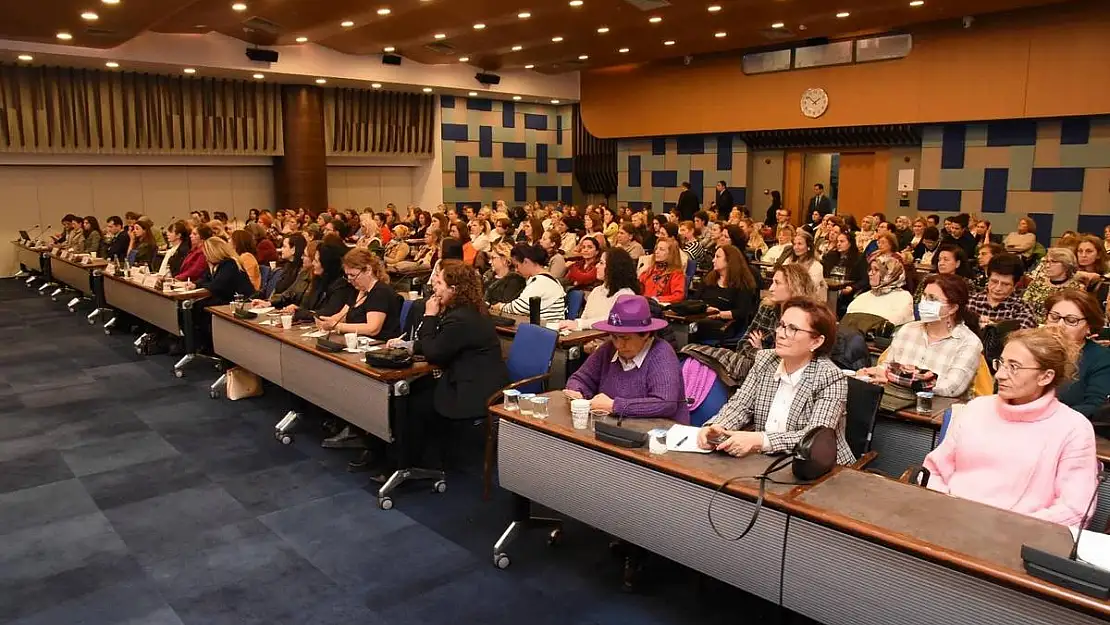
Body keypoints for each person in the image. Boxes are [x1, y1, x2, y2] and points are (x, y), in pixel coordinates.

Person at [922, 326, 1098, 527]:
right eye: (1001, 363)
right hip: (949, 521)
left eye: (1014, 367)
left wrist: (1009, 528)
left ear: (1045, 377)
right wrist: (947, 510)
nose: (1000, 375)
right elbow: (932, 471)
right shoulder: (976, 408)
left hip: (1018, 537)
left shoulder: (1074, 428)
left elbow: (1075, 510)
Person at [383, 261, 509, 474]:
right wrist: (409, 345)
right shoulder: (465, 310)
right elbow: (442, 343)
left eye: (440, 282)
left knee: (411, 401)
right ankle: (410, 458)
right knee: (412, 392)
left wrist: (429, 315)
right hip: (465, 378)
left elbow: (434, 352)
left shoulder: (461, 318)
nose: (434, 286)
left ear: (455, 289)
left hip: (474, 389)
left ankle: (413, 464)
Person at [697, 298, 854, 464]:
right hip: (766, 461)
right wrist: (717, 427)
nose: (780, 333)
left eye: (793, 329)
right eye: (781, 325)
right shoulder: (765, 360)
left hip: (818, 467)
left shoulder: (831, 377)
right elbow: (740, 405)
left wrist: (759, 440)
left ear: (816, 341)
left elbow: (813, 438)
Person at [681, 264, 818, 387]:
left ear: (793, 286)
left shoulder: (805, 319)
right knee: (690, 351)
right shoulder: (767, 309)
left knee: (701, 360)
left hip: (772, 374)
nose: (771, 288)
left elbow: (787, 360)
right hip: (749, 363)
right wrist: (763, 352)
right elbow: (743, 344)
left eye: (777, 283)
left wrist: (760, 351)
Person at [564, 295, 690, 424]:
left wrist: (614, 406)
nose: (618, 345)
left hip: (659, 434)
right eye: (614, 337)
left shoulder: (662, 354)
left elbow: (665, 403)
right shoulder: (608, 349)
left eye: (625, 338)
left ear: (645, 334)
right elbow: (580, 378)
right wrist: (577, 392)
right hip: (615, 428)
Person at [857, 274, 983, 398]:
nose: (924, 303)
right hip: (896, 403)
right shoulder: (908, 329)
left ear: (952, 308)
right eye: (924, 296)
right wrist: (873, 372)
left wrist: (893, 376)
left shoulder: (968, 342)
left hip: (935, 411)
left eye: (932, 299)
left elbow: (950, 387)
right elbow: (888, 365)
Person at [1043, 290, 1110, 418]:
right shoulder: (1031, 349)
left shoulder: (1102, 359)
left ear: (1089, 327)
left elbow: (1096, 407)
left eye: (1071, 320)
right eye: (1054, 317)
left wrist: (1046, 417)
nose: (1059, 325)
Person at [315, 249, 402, 340]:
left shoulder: (380, 292)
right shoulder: (357, 290)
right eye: (347, 276)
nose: (349, 280)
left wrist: (337, 326)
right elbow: (342, 316)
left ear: (368, 270)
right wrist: (327, 321)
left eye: (353, 275)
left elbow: (372, 329)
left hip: (380, 345)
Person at [689, 245, 759, 342]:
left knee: (694, 327)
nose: (713, 260)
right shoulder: (709, 278)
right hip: (702, 317)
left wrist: (718, 314)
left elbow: (742, 312)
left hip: (727, 324)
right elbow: (696, 300)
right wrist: (705, 308)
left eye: (718, 257)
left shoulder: (743, 284)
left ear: (730, 260)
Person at [560, 248, 640, 332]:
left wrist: (579, 324)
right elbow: (584, 318)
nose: (597, 266)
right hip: (586, 339)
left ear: (614, 267)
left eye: (601, 263)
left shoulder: (626, 295)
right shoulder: (596, 291)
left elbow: (611, 320)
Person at [490, 243, 567, 323]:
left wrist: (499, 306)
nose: (516, 270)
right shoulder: (547, 279)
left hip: (545, 328)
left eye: (517, 266)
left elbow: (518, 308)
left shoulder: (541, 282)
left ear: (526, 262)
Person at [286, 241, 354, 322]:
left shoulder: (341, 285)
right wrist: (298, 309)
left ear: (326, 264)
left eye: (316, 261)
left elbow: (329, 312)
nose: (313, 263)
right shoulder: (319, 279)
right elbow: (312, 307)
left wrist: (303, 313)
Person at [968, 254, 1037, 330]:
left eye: (1005, 284)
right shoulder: (970, 302)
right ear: (988, 278)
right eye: (994, 281)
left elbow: (1023, 338)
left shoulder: (1022, 309)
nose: (998, 288)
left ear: (1015, 285)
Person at [844, 255, 915, 326]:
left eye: (876, 270)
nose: (870, 274)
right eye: (870, 270)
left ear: (889, 274)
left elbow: (893, 323)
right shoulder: (863, 296)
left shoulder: (903, 297)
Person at [1022, 247, 1083, 322]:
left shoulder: (1076, 288)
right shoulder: (1037, 283)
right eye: (1046, 262)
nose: (1047, 266)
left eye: (1053, 262)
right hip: (1032, 325)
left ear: (1066, 265)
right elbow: (1023, 307)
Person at [196, 237, 254, 305]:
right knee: (197, 304)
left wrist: (201, 285)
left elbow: (216, 286)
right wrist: (195, 285)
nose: (205, 257)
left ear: (213, 253)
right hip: (227, 299)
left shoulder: (230, 264)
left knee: (198, 305)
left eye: (206, 254)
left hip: (240, 301)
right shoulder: (216, 264)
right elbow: (205, 279)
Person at [776, 231, 827, 304]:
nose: (796, 247)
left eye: (800, 244)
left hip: (810, 302)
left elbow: (809, 288)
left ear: (808, 246)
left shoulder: (816, 266)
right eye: (794, 244)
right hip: (791, 298)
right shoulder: (789, 261)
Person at [264, 234, 311, 308]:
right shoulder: (287, 266)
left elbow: (290, 294)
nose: (281, 249)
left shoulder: (301, 272)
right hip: (276, 304)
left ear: (293, 250)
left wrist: (269, 302)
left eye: (284, 246)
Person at [639, 238, 686, 304]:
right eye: (656, 248)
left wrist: (656, 299)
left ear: (671, 253)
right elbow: (638, 286)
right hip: (644, 304)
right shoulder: (650, 270)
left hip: (660, 308)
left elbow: (678, 296)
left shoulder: (676, 273)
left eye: (661, 249)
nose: (656, 252)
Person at [484, 241, 527, 306]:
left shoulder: (516, 281)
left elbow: (506, 304)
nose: (490, 262)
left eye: (493, 258)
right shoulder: (488, 278)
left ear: (504, 260)